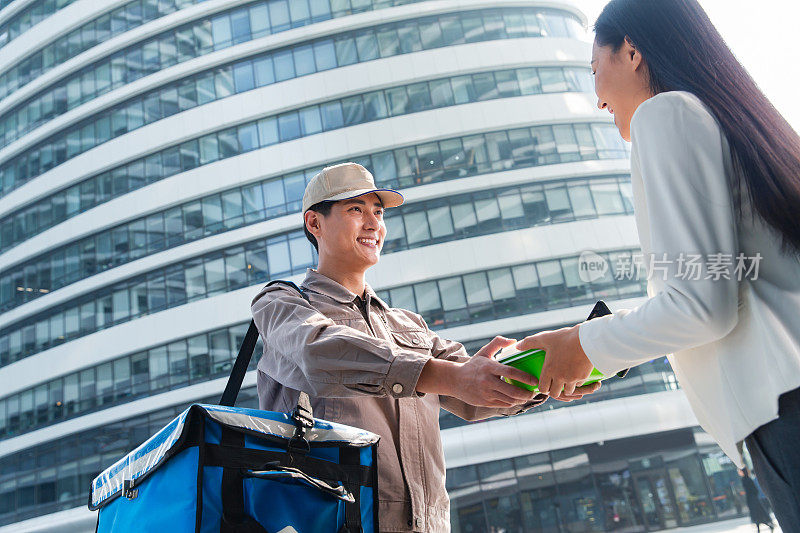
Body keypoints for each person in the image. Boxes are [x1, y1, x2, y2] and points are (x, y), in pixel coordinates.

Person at [512, 0, 800, 529]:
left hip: (786, 412)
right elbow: (719, 284)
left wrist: (582, 346)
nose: (598, 99)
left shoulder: (665, 113)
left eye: (595, 71)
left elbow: (700, 307)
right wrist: (598, 343)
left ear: (633, 51)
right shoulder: (731, 118)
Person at [250, 162, 600, 532]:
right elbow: (316, 351)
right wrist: (446, 375)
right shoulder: (280, 304)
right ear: (314, 224)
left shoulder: (409, 325)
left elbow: (472, 389)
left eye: (378, 213)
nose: (373, 224)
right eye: (356, 210)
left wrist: (555, 368)